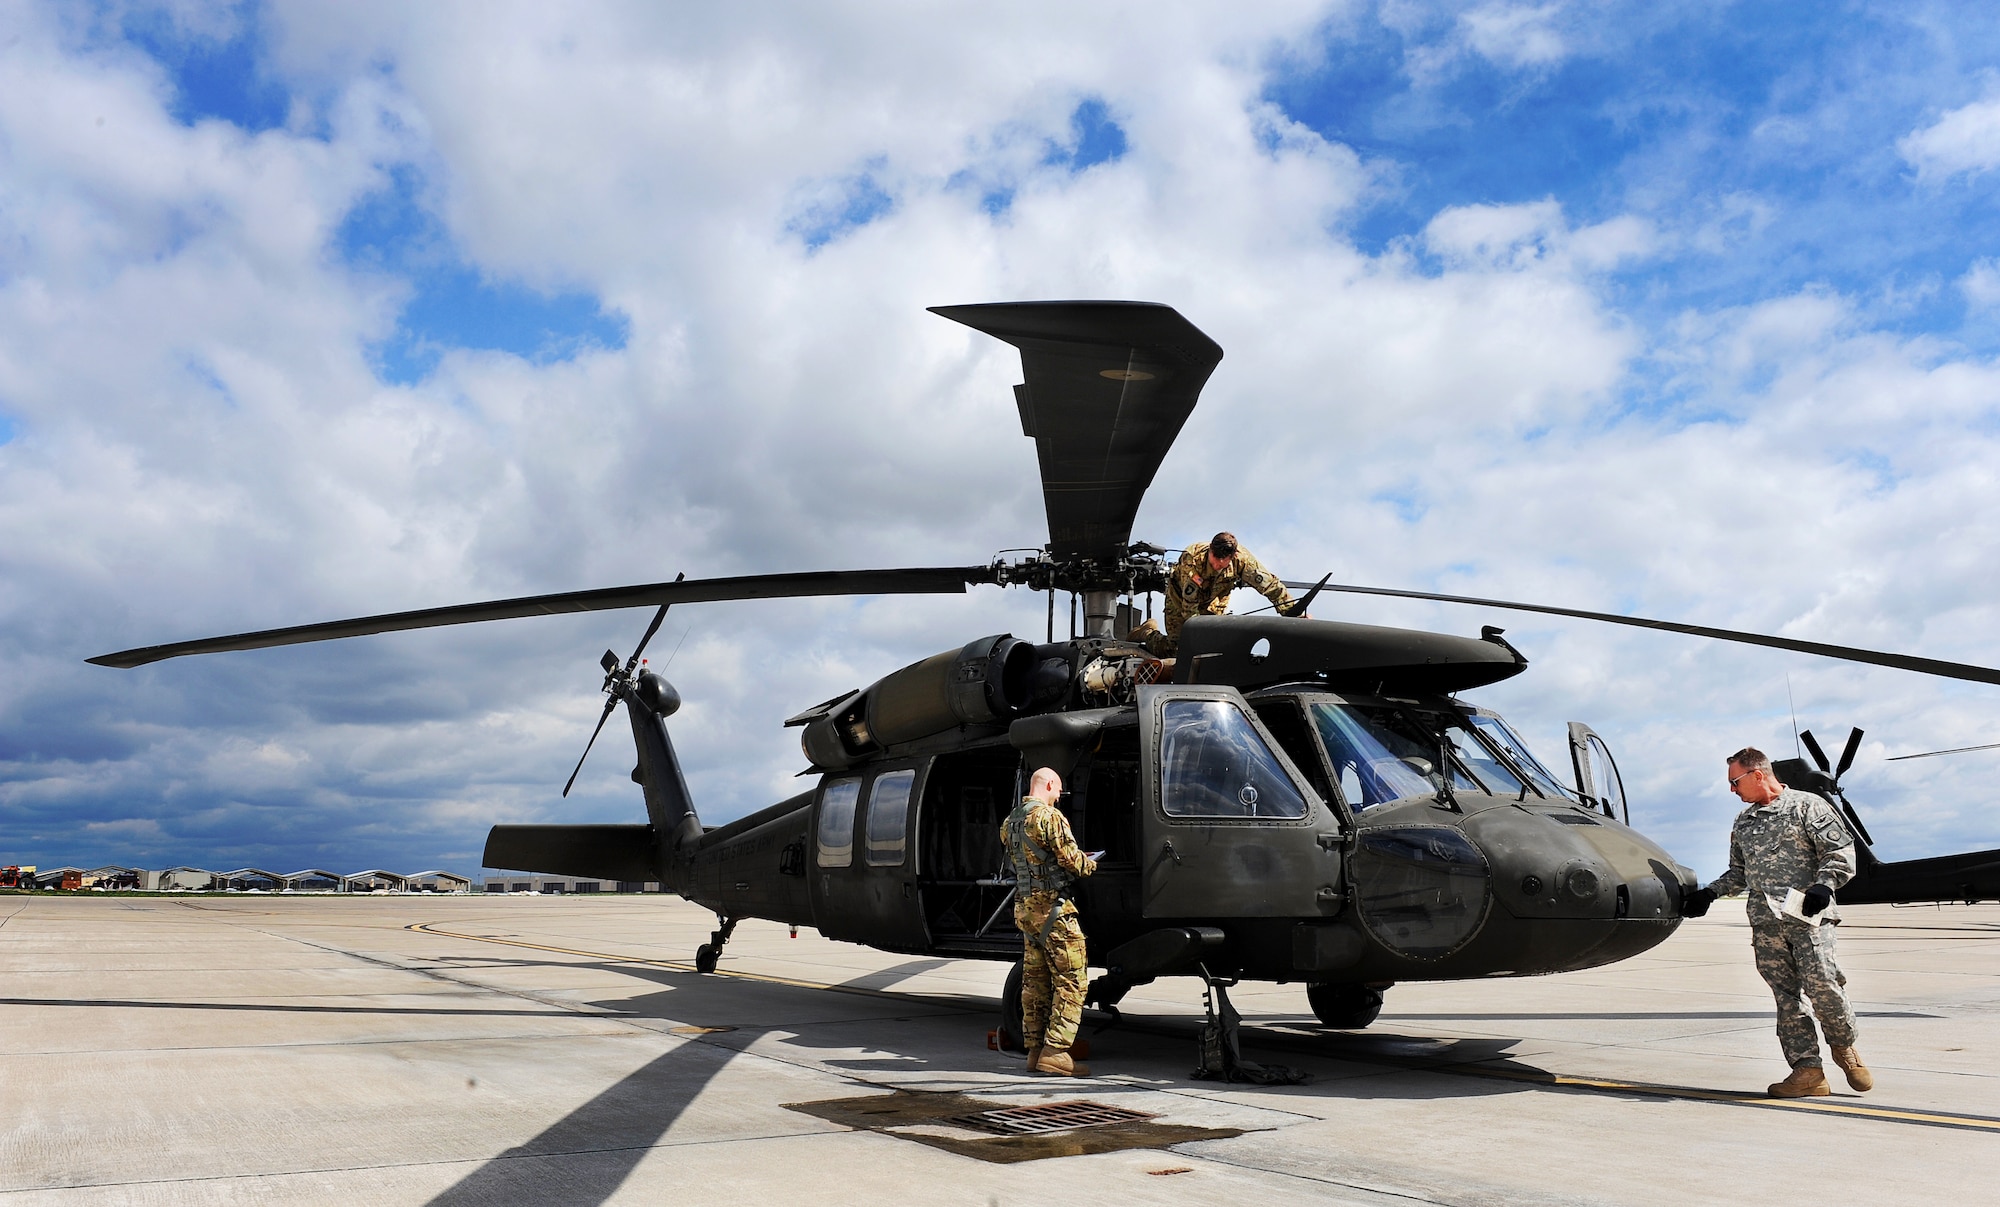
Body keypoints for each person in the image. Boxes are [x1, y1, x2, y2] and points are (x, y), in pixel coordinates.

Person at [1683, 746, 1874, 1097]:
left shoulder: (1808, 806)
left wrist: (1824, 884)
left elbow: (1839, 853)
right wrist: (1710, 893)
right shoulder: (1744, 822)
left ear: (1758, 775)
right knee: (1787, 1000)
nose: (1732, 790)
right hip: (1766, 923)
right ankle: (1807, 1072)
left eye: (1735, 781)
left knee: (1824, 986)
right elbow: (1739, 872)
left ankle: (1844, 1048)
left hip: (1808, 916)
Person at [1001, 766, 1097, 1076]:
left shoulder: (1011, 821)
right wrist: (1090, 863)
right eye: (1058, 791)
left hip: (1027, 911)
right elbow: (1072, 862)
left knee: (1035, 982)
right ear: (1051, 784)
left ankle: (1034, 1051)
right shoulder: (1050, 818)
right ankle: (1056, 1051)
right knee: (1072, 979)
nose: (1058, 797)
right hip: (1054, 911)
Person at [1131, 532, 1301, 657]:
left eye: (1223, 560)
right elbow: (1189, 605)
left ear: (1233, 556)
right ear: (1210, 550)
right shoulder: (1193, 560)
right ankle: (1147, 632)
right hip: (1180, 601)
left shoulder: (1242, 560)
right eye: (1214, 557)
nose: (1218, 564)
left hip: (1214, 604)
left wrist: (1294, 613)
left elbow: (1269, 585)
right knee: (1178, 650)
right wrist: (1196, 637)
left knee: (1212, 650)